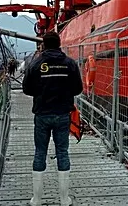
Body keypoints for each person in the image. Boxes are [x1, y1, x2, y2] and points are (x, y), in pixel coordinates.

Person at [22, 31, 83, 206]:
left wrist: (41, 93)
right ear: (59, 43)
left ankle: (37, 200)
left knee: (40, 152)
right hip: (63, 114)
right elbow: (78, 88)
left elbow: (26, 89)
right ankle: (64, 199)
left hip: (42, 114)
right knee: (62, 152)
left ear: (43, 45)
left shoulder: (35, 64)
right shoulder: (70, 64)